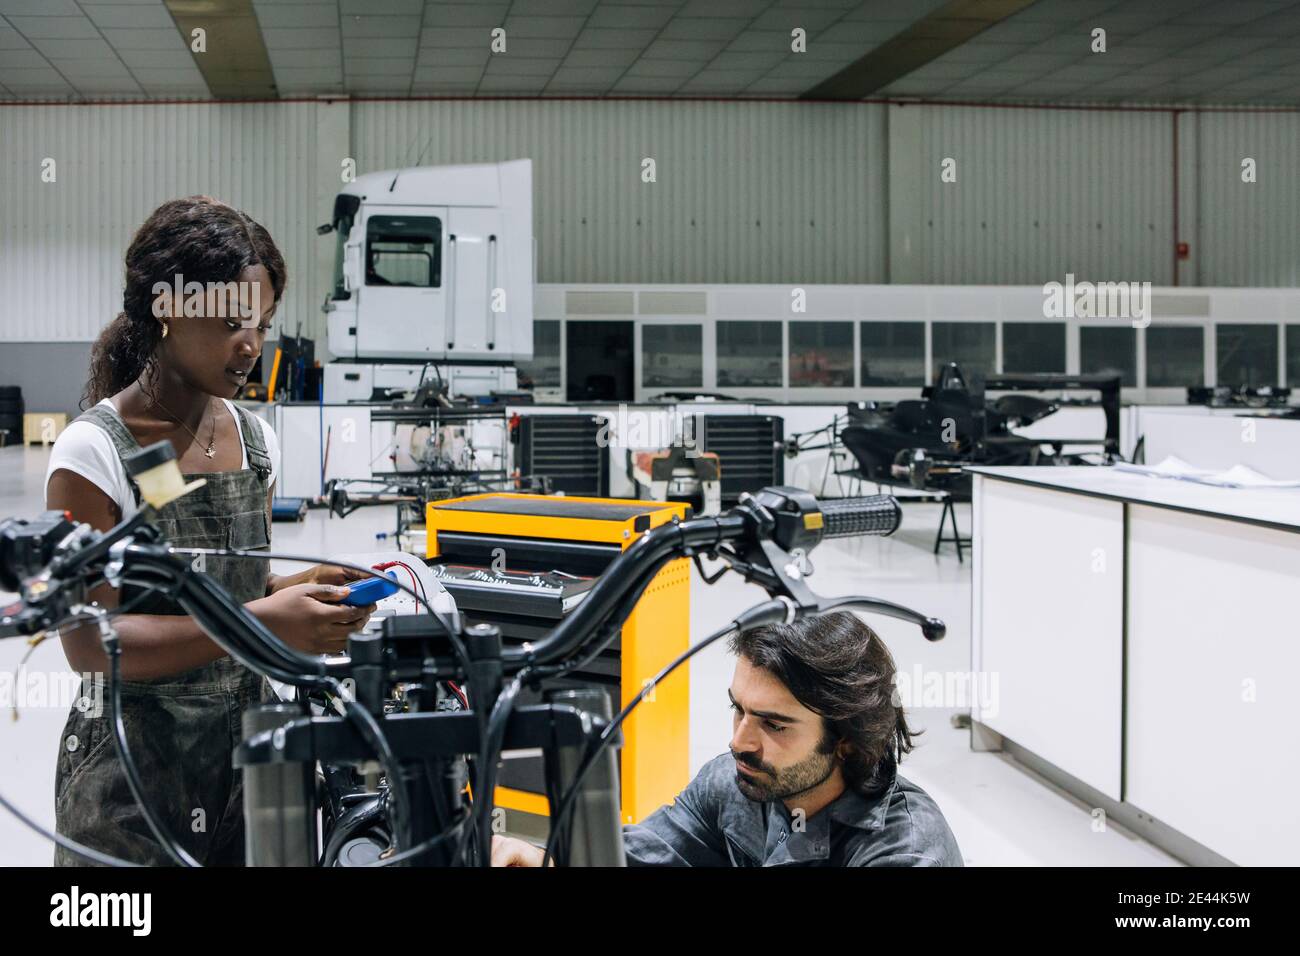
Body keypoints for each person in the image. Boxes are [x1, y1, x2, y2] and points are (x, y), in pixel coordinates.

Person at [45, 196, 376, 866]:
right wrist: (262, 622)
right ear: (168, 311)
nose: (251, 344)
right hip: (128, 784)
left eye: (261, 323)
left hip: (247, 769)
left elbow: (228, 585)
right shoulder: (93, 452)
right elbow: (88, 642)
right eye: (231, 322)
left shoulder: (256, 442)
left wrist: (299, 591)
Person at [492, 612, 963, 867]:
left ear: (847, 742)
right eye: (738, 708)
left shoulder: (907, 852)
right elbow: (645, 854)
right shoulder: (737, 781)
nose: (740, 741)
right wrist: (543, 859)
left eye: (774, 725)